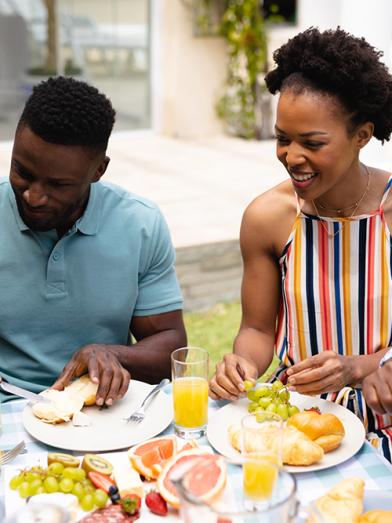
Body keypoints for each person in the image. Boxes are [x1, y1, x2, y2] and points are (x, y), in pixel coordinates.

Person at [209, 28, 392, 460]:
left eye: (312, 143)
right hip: (294, 419)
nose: (292, 156)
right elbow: (256, 329)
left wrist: (363, 366)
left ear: (362, 135)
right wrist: (244, 366)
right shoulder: (267, 218)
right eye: (282, 139)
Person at [0, 76, 186, 406]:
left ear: (99, 170)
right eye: (22, 172)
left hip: (103, 411)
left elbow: (170, 345)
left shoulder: (139, 224)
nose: (33, 196)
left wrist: (113, 355)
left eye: (57, 185)